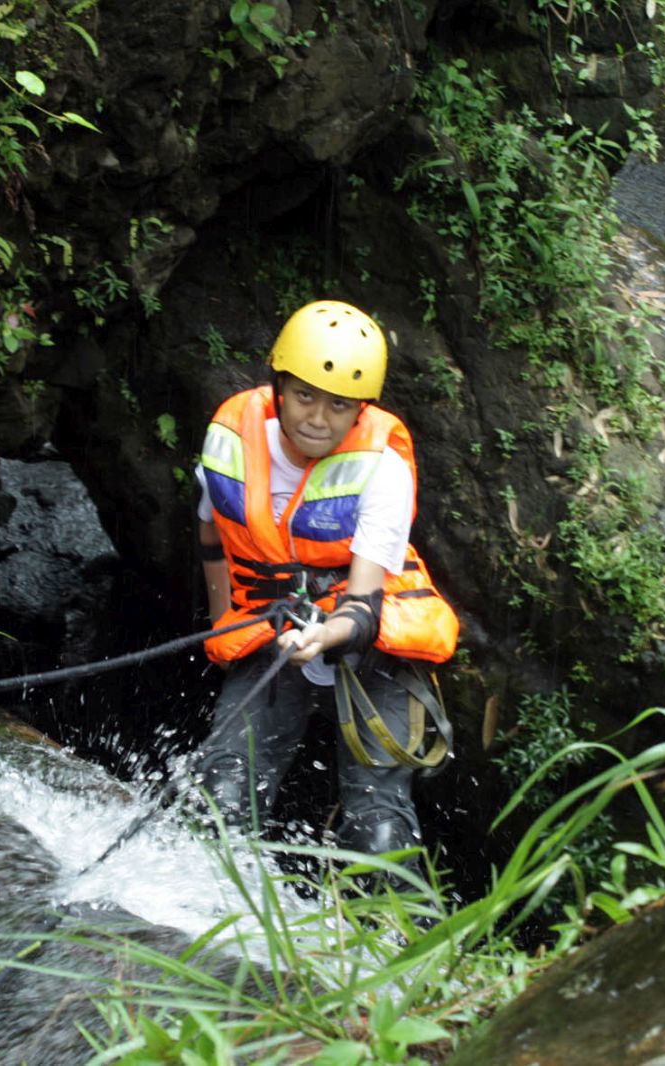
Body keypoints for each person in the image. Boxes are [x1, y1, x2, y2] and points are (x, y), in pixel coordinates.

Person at [191, 299, 459, 859]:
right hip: (270, 631)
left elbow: (363, 604)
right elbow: (210, 533)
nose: (317, 418)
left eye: (339, 406)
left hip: (365, 646)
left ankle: (386, 933)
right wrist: (222, 623)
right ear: (279, 386)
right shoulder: (232, 440)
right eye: (305, 395)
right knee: (222, 792)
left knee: (377, 821)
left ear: (360, 411)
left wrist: (321, 635)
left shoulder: (382, 467)